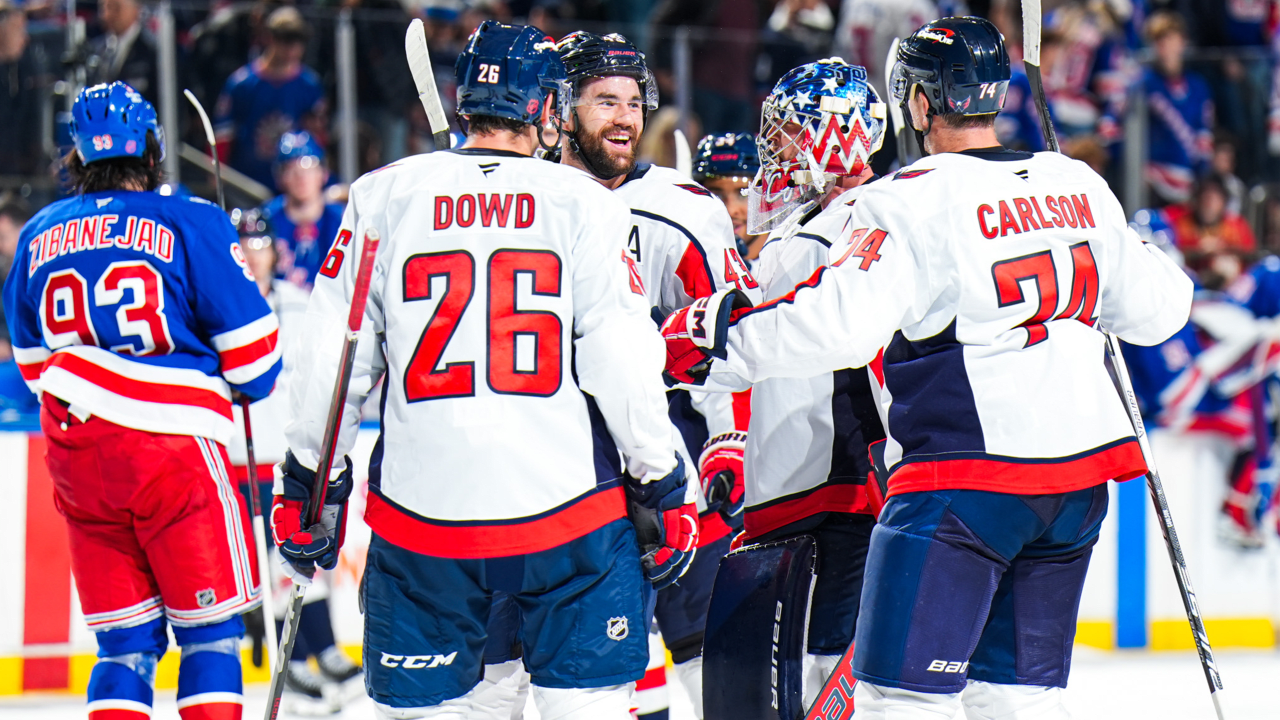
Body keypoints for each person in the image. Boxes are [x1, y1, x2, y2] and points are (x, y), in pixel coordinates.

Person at [659, 17, 1193, 718]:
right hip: (1079, 485)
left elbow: (836, 326)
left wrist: (718, 343)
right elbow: (1162, 310)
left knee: (897, 700)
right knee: (1012, 701)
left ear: (915, 103)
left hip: (967, 482)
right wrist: (1129, 249)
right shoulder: (1077, 184)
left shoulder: (906, 196)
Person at [273, 22, 693, 720]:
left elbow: (334, 356)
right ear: (544, 108)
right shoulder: (582, 201)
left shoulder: (384, 195)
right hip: (569, 522)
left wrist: (310, 479)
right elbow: (620, 359)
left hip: (423, 524)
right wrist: (659, 475)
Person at [2, 82, 282, 720]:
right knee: (209, 635)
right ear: (153, 148)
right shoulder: (189, 219)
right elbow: (258, 364)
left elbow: (33, 367)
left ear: (74, 156)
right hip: (173, 453)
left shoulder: (38, 233)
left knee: (122, 649)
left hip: (77, 460)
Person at [554, 30, 761, 720]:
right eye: (604, 100)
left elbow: (731, 338)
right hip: (566, 466)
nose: (625, 118)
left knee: (714, 663)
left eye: (635, 101)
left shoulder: (686, 206)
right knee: (607, 669)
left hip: (676, 459)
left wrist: (729, 440)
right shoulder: (534, 203)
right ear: (559, 106)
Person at [730, 57, 888, 710]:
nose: (778, 149)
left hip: (839, 495)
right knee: (786, 687)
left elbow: (882, 360)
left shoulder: (858, 226)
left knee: (827, 681)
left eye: (793, 130)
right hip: (803, 489)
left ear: (841, 134)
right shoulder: (817, 230)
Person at [225, 208, 363, 713]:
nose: (253, 253)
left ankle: (320, 650)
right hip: (239, 459)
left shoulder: (297, 303)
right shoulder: (224, 306)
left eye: (259, 243)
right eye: (243, 244)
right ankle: (297, 659)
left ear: (274, 250)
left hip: (287, 458)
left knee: (299, 560)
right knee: (263, 571)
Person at [214, 6, 328, 193]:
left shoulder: (309, 86)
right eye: (286, 40)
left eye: (298, 41)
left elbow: (318, 139)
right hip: (246, 184)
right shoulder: (242, 84)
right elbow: (223, 136)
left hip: (293, 186)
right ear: (270, 38)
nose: (292, 48)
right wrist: (218, 174)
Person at [1140, 10, 1214, 204]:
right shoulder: (1143, 83)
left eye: (1171, 39)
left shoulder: (1198, 86)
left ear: (1183, 42)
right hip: (1153, 181)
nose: (1166, 47)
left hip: (1188, 182)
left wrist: (1203, 173)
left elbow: (1203, 132)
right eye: (1159, 41)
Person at [259, 131, 345, 289]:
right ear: (279, 177)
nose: (301, 177)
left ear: (324, 173)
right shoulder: (264, 221)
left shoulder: (342, 220)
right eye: (291, 169)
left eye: (309, 168)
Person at [692, 132, 766, 265]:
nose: (731, 210)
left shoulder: (790, 258)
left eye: (743, 194)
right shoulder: (691, 266)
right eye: (716, 196)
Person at [86, 0, 159, 107]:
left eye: (115, 8)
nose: (105, 15)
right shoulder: (95, 49)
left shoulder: (152, 51)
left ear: (135, 9)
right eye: (102, 8)